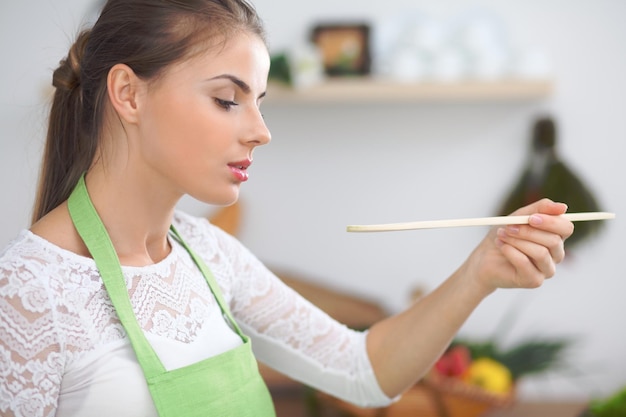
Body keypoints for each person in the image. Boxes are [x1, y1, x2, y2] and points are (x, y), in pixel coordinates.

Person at [0, 0, 574, 416]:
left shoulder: (207, 254)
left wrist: (481, 272)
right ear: (128, 94)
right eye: (228, 100)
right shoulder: (31, 292)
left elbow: (363, 371)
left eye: (260, 102)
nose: (260, 132)